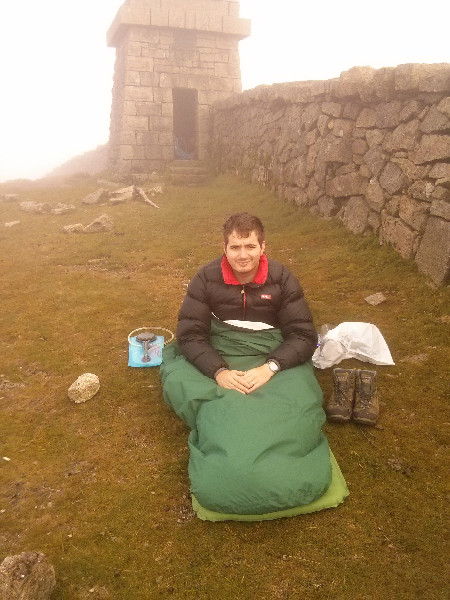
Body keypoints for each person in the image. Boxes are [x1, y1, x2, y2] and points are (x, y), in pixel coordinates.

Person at [176, 212, 318, 391]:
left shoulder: (282, 278)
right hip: (220, 352)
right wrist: (218, 372)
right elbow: (190, 334)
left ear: (262, 246)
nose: (243, 255)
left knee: (298, 394)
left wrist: (270, 368)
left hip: (272, 356)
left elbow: (303, 335)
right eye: (235, 247)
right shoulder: (204, 278)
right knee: (182, 383)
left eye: (250, 246)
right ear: (225, 247)